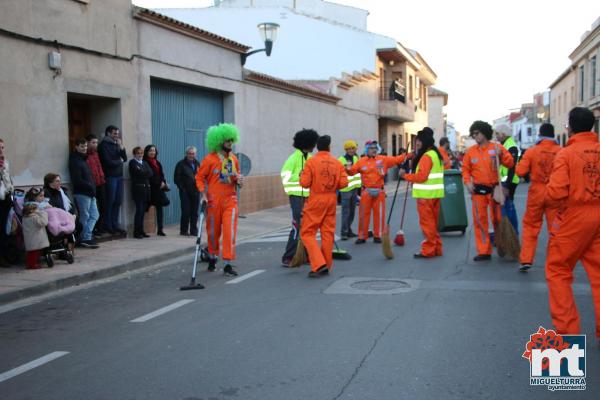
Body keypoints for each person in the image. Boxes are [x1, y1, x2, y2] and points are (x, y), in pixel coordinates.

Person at [545, 107, 600, 343]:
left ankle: (567, 336)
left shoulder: (566, 154)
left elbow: (556, 192)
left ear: (570, 127)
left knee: (558, 270)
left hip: (575, 216)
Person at [195, 123, 244, 276]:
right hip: (213, 201)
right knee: (213, 233)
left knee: (230, 232)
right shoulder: (209, 159)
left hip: (231, 200)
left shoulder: (234, 159)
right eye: (227, 140)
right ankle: (212, 256)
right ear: (219, 141)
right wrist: (203, 194)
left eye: (231, 140)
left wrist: (239, 181)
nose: (230, 143)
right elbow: (199, 177)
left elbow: (236, 177)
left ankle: (228, 263)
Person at [462, 121, 515, 261]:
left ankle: (502, 243)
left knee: (498, 219)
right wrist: (467, 183)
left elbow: (510, 163)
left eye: (476, 133)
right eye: (473, 134)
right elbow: (465, 170)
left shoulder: (497, 148)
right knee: (480, 221)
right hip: (478, 191)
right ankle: (484, 251)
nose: (474, 136)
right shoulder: (470, 152)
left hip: (494, 190)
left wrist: (501, 156)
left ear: (484, 133)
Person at [300, 135, 348, 278]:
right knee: (327, 233)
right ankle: (326, 264)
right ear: (329, 147)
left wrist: (301, 175)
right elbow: (344, 183)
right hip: (331, 199)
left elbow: (305, 183)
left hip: (316, 199)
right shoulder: (337, 162)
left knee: (307, 233)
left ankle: (319, 264)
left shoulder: (311, 161)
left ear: (317, 147)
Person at [515, 123, 561, 272]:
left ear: (540, 134)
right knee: (555, 228)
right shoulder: (560, 152)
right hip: (555, 191)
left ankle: (526, 259)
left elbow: (520, 171)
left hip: (536, 191)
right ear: (553, 135)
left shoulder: (532, 151)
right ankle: (556, 260)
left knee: (530, 226)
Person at [347, 140, 411, 244]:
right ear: (367, 150)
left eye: (375, 148)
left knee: (379, 214)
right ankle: (362, 236)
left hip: (379, 192)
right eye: (371, 148)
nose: (374, 150)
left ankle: (378, 235)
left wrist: (408, 155)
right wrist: (347, 168)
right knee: (363, 215)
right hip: (366, 191)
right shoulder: (361, 161)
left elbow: (397, 159)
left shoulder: (383, 159)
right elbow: (351, 172)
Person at [400, 128, 445, 258]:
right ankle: (437, 248)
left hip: (425, 196)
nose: (416, 144)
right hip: (435, 195)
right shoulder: (436, 154)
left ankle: (429, 250)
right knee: (433, 224)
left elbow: (421, 177)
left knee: (427, 225)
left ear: (423, 141)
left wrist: (406, 176)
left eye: (418, 141)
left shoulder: (426, 156)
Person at [280, 129, 319, 267]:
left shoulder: (311, 158)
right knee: (297, 225)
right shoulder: (293, 158)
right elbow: (285, 176)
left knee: (309, 226)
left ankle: (305, 254)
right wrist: (301, 177)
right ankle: (288, 256)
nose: (314, 146)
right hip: (297, 197)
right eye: (312, 143)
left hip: (309, 197)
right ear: (306, 143)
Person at [69, 137, 100, 249]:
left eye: (85, 146)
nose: (84, 148)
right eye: (82, 146)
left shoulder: (83, 159)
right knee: (85, 216)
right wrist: (90, 186)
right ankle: (84, 238)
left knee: (95, 215)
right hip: (82, 193)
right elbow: (77, 179)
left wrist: (92, 187)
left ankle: (86, 236)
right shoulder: (75, 160)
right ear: (76, 147)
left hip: (90, 193)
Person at [98, 125, 127, 235]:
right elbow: (107, 161)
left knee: (118, 201)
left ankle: (115, 225)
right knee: (110, 201)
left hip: (119, 176)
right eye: (114, 133)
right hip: (110, 176)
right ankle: (108, 225)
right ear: (108, 133)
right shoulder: (103, 145)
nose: (117, 136)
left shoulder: (116, 144)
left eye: (117, 133)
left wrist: (121, 147)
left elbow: (124, 158)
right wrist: (119, 161)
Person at [495, 127, 520, 234]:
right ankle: (510, 233)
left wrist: (506, 185)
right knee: (506, 206)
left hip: (509, 181)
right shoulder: (505, 145)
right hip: (505, 181)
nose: (496, 136)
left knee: (508, 207)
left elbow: (512, 167)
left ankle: (512, 232)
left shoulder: (511, 146)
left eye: (497, 133)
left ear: (504, 134)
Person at [338, 140, 361, 240]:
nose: (351, 150)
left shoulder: (356, 158)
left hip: (354, 188)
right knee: (346, 212)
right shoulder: (341, 160)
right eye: (349, 149)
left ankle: (349, 229)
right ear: (346, 150)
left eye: (353, 148)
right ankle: (344, 232)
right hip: (346, 189)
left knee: (352, 211)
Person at [144, 144, 169, 236]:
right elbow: (150, 176)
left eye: (154, 151)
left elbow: (161, 174)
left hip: (159, 189)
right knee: (145, 208)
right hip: (150, 189)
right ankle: (142, 230)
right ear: (147, 152)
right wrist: (159, 183)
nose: (152, 152)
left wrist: (163, 182)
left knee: (160, 208)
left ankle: (160, 229)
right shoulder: (145, 162)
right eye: (150, 151)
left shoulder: (157, 162)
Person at [128, 146, 153, 239]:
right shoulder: (132, 163)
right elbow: (139, 173)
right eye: (138, 153)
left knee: (143, 212)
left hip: (146, 190)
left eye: (141, 153)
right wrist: (144, 172)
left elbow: (150, 173)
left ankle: (142, 230)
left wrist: (144, 172)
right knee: (139, 210)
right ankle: (136, 232)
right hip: (138, 190)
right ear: (134, 154)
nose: (140, 155)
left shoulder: (145, 163)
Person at [22, 188, 50, 269]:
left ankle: (31, 264)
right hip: (35, 237)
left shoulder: (26, 216)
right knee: (34, 252)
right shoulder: (34, 217)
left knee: (31, 252)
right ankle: (33, 265)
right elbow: (43, 222)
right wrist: (43, 213)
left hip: (30, 237)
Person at [86, 134, 106, 235]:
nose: (95, 144)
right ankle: (92, 229)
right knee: (92, 208)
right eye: (93, 142)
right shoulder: (85, 155)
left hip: (100, 183)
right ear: (88, 143)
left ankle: (100, 228)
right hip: (91, 184)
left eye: (96, 142)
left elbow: (99, 167)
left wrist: (102, 177)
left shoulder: (96, 154)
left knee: (103, 206)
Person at [0, 138, 15, 267]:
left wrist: (11, 189)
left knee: (5, 228)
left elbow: (8, 179)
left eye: (2, 147)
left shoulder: (5, 163)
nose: (1, 150)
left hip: (5, 198)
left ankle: (3, 255)